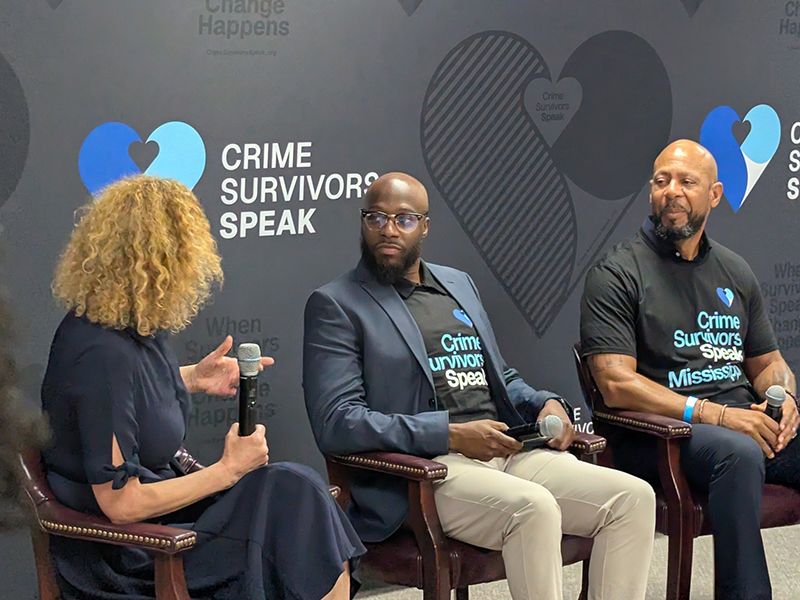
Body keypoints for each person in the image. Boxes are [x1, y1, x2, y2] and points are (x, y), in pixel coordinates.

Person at [303, 172, 656, 600]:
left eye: (404, 219)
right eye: (375, 217)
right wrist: (449, 434)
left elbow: (500, 377)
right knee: (534, 507)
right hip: (428, 472)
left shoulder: (457, 285)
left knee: (633, 498)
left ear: (426, 225)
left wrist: (545, 403)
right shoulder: (337, 303)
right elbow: (337, 422)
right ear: (362, 221)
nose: (388, 230)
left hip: (508, 453)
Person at [41, 175, 364, 600]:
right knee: (295, 505)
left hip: (165, 522)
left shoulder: (130, 326)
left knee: (295, 489)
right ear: (158, 261)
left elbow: (124, 399)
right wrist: (227, 471)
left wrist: (191, 376)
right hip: (131, 555)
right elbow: (122, 504)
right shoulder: (102, 353)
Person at [580, 139, 800, 600]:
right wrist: (715, 415)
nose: (672, 192)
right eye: (662, 181)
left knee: (749, 441)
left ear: (715, 195)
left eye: (686, 181)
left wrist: (785, 401)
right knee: (737, 453)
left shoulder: (734, 271)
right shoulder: (617, 271)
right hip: (659, 435)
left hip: (740, 420)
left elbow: (769, 363)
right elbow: (615, 384)